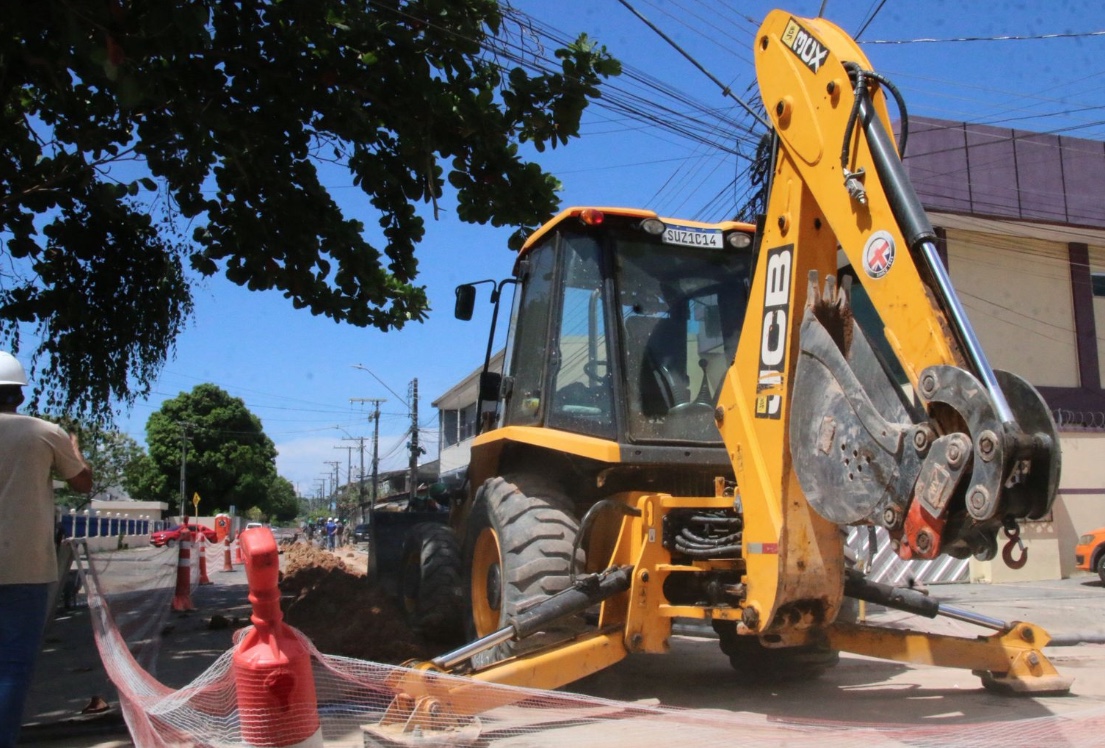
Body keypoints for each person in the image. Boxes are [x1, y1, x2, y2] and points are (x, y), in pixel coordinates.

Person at [0, 351, 92, 747]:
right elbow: (82, 483)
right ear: (19, 396)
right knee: (12, 665)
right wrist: (75, 447)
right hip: (26, 565)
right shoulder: (42, 432)